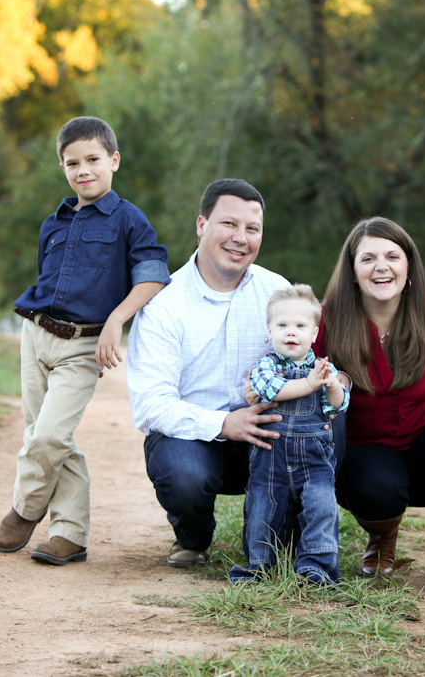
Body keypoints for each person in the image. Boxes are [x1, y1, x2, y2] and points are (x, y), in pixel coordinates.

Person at [0, 116, 170, 565]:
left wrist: (116, 320)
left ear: (113, 160)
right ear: (63, 167)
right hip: (35, 336)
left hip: (81, 346)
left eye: (92, 159)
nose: (82, 170)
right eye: (72, 163)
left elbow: (153, 277)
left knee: (50, 434)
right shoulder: (53, 222)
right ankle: (69, 534)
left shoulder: (128, 220)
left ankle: (25, 509)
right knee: (49, 435)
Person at [126, 178, 299, 568]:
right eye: (228, 224)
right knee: (184, 472)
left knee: (323, 427)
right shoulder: (163, 303)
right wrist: (224, 423)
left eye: (251, 229)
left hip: (264, 432)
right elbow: (151, 406)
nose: (240, 238)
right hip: (193, 438)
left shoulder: (278, 291)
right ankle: (193, 535)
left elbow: (302, 365)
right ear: (202, 225)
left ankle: (276, 535)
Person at [315, 217, 425, 600]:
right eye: (369, 258)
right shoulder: (326, 320)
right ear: (352, 270)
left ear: (409, 266)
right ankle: (382, 540)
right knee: (376, 484)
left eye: (393, 256)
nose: (382, 267)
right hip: (366, 457)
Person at [229, 284, 349, 586]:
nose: (290, 332)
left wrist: (332, 385)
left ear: (314, 333)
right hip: (271, 456)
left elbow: (337, 406)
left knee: (321, 509)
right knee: (263, 508)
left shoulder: (322, 368)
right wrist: (310, 383)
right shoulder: (265, 366)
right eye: (282, 325)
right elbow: (273, 390)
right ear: (269, 331)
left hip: (315, 459)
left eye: (300, 325)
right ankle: (260, 565)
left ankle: (316, 570)